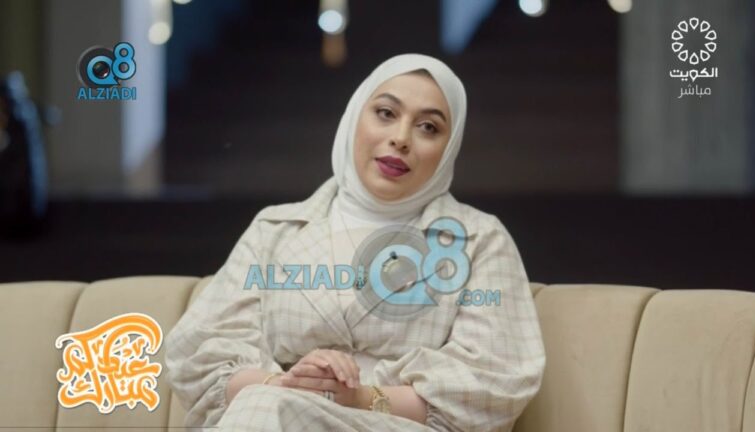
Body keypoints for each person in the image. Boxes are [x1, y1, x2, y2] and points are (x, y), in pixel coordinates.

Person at [165, 53, 546, 432]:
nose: (400, 138)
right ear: (353, 117)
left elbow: (493, 382)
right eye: (386, 113)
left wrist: (359, 397)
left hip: (398, 425)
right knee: (265, 405)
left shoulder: (477, 240)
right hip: (273, 414)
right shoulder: (275, 229)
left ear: (449, 148)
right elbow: (200, 355)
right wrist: (288, 384)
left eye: (428, 127)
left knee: (266, 408)